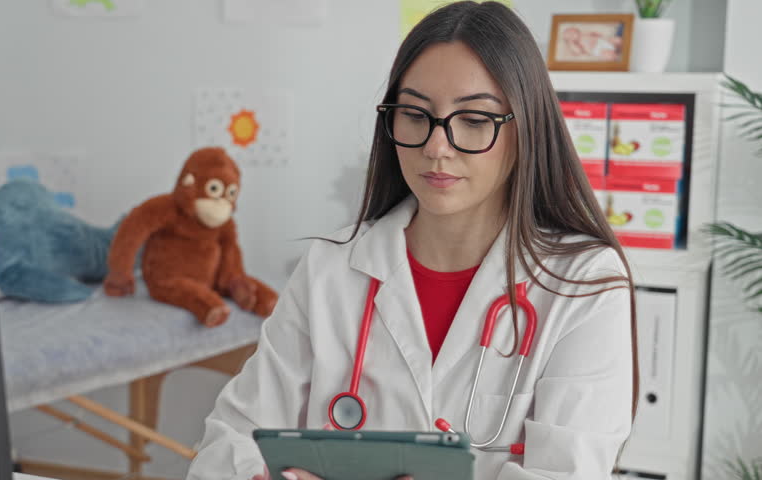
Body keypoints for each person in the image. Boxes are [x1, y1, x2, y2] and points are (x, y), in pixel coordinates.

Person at [186, 2, 638, 479]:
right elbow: (227, 443)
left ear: (526, 128)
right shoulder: (331, 269)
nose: (435, 146)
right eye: (415, 114)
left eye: (475, 120)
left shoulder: (584, 283)